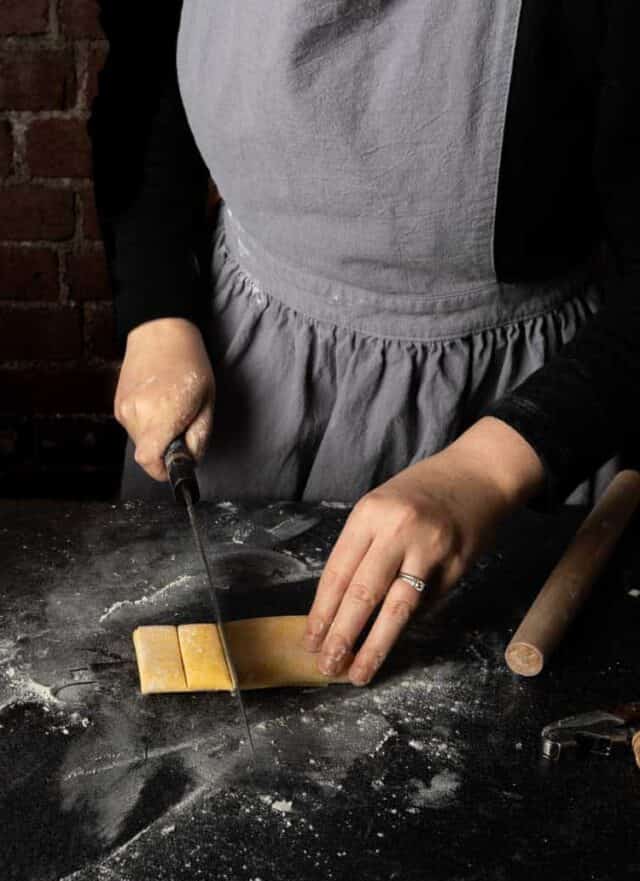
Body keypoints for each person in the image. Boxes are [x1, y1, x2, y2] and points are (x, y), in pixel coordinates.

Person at [89, 0, 639, 687]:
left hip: (525, 404)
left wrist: (490, 469)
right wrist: (156, 314)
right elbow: (144, 87)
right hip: (246, 378)